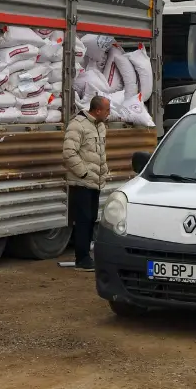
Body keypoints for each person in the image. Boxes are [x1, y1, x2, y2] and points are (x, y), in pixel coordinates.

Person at [63, 96, 111, 271]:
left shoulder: (100, 126)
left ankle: (86, 257)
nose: (109, 113)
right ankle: (81, 259)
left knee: (91, 219)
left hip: (95, 182)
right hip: (81, 183)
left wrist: (103, 171)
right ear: (97, 110)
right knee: (83, 221)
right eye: (107, 110)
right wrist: (84, 173)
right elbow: (69, 152)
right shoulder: (78, 125)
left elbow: (99, 152)